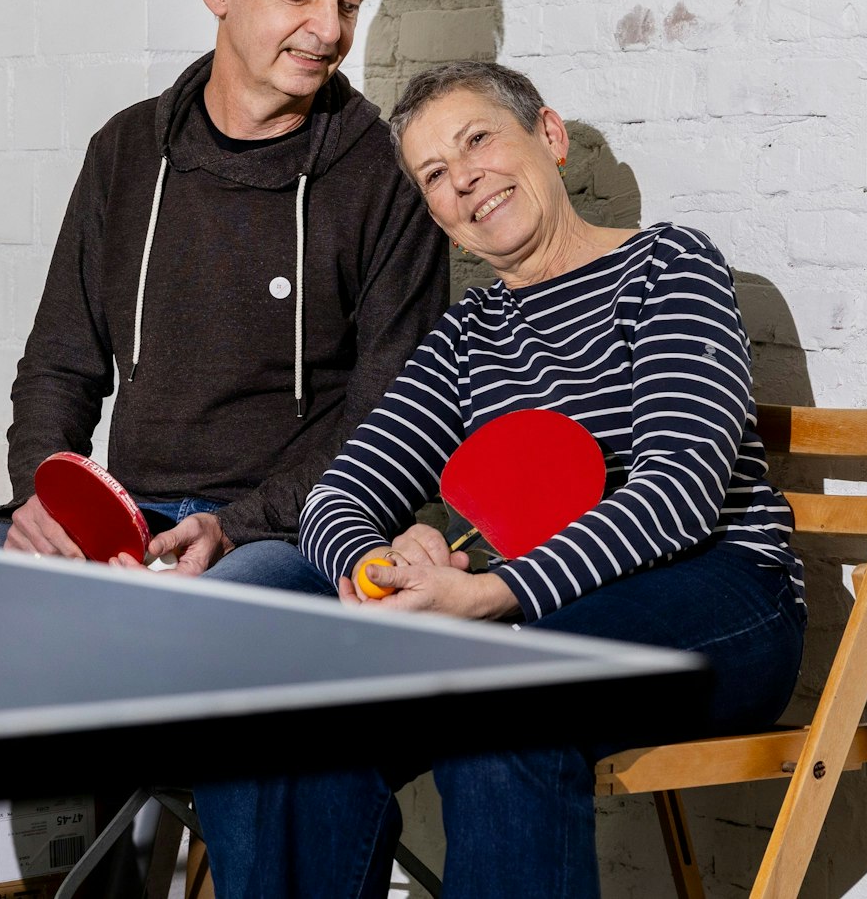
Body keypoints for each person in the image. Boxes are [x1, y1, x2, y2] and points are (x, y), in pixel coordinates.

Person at [0, 0, 448, 897]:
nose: (327, 29)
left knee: (232, 644)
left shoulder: (381, 175)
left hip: (290, 538)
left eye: (347, 0)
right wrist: (42, 494)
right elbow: (59, 361)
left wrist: (240, 527)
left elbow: (391, 425)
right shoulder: (124, 154)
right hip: (128, 521)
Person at [191, 62, 807, 899]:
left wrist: (492, 594)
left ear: (549, 137)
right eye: (435, 175)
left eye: (477, 139)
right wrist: (380, 569)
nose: (464, 178)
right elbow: (340, 494)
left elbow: (680, 489)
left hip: (721, 594)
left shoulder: (669, 266)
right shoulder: (465, 335)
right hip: (535, 614)